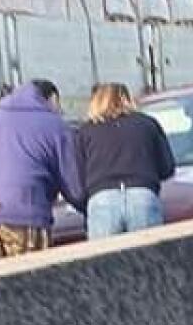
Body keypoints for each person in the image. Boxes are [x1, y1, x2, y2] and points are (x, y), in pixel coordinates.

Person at [0, 78, 84, 261]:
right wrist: (86, 206)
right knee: (29, 283)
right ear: (52, 98)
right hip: (24, 213)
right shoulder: (55, 124)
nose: (60, 110)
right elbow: (73, 185)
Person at [76, 83, 177, 239]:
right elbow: (167, 168)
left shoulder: (85, 131)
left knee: (104, 261)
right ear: (127, 99)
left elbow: (77, 175)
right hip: (142, 195)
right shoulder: (147, 124)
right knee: (148, 259)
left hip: (102, 198)